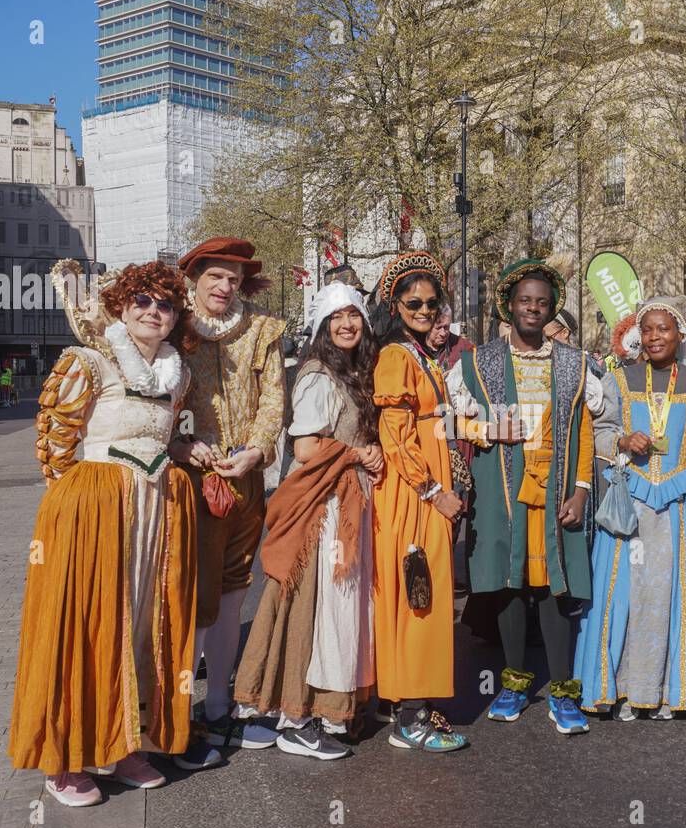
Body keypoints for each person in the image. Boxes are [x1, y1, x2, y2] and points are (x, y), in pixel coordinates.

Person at [9, 259, 200, 806]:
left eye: (164, 305)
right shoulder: (88, 362)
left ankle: (123, 745)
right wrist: (75, 509)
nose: (153, 312)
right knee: (85, 624)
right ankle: (65, 758)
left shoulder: (176, 373)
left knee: (142, 624)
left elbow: (163, 437)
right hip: (95, 511)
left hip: (156, 510)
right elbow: (55, 440)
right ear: (121, 306)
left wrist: (187, 451)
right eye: (141, 301)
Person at [233, 283, 382, 760]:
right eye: (336, 317)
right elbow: (306, 448)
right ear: (321, 325)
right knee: (319, 610)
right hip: (325, 506)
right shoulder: (318, 374)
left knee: (332, 610)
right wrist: (360, 453)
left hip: (345, 499)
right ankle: (301, 717)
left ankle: (329, 708)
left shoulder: (355, 370)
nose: (347, 324)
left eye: (354, 316)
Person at [449, 259, 594, 735]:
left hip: (556, 492)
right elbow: (446, 422)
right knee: (510, 585)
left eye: (542, 302)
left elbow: (586, 432)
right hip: (503, 492)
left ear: (553, 308)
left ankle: (563, 691)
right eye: (525, 301)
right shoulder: (478, 361)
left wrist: (581, 490)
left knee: (555, 587)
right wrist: (488, 429)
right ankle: (513, 684)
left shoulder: (574, 362)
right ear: (508, 306)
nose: (534, 308)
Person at [574, 297, 686, 721]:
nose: (656, 337)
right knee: (626, 593)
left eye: (665, 329)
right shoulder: (618, 379)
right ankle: (622, 687)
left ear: (680, 335)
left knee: (676, 593)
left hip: (681, 503)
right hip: (630, 501)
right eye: (650, 329)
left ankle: (672, 690)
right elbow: (598, 431)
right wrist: (621, 442)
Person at [167, 237, 286, 755]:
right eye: (215, 276)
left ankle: (218, 704)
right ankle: (176, 715)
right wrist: (177, 444)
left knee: (236, 587)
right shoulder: (171, 323)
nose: (225, 286)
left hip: (245, 478)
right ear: (194, 278)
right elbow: (154, 396)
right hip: (192, 482)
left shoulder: (261, 328)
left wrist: (257, 451)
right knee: (193, 597)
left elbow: (273, 397)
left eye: (234, 278)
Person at [371, 251, 468, 751]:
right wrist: (435, 493)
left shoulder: (419, 354)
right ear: (395, 305)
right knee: (418, 592)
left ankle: (412, 702)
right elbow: (396, 435)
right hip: (414, 495)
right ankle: (410, 717)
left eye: (433, 302)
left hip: (424, 488)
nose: (427, 310)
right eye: (415, 302)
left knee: (422, 592)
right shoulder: (395, 357)